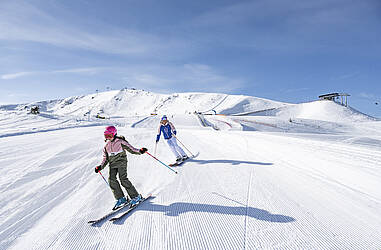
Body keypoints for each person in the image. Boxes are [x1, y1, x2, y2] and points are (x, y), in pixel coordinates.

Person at [95, 125, 148, 210]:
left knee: (123, 179)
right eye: (106, 136)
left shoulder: (120, 142)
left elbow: (131, 149)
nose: (108, 138)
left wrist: (140, 151)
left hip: (121, 162)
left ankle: (136, 197)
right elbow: (105, 159)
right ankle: (121, 198)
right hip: (112, 164)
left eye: (110, 135)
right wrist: (100, 167)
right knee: (111, 180)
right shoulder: (106, 146)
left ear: (114, 134)